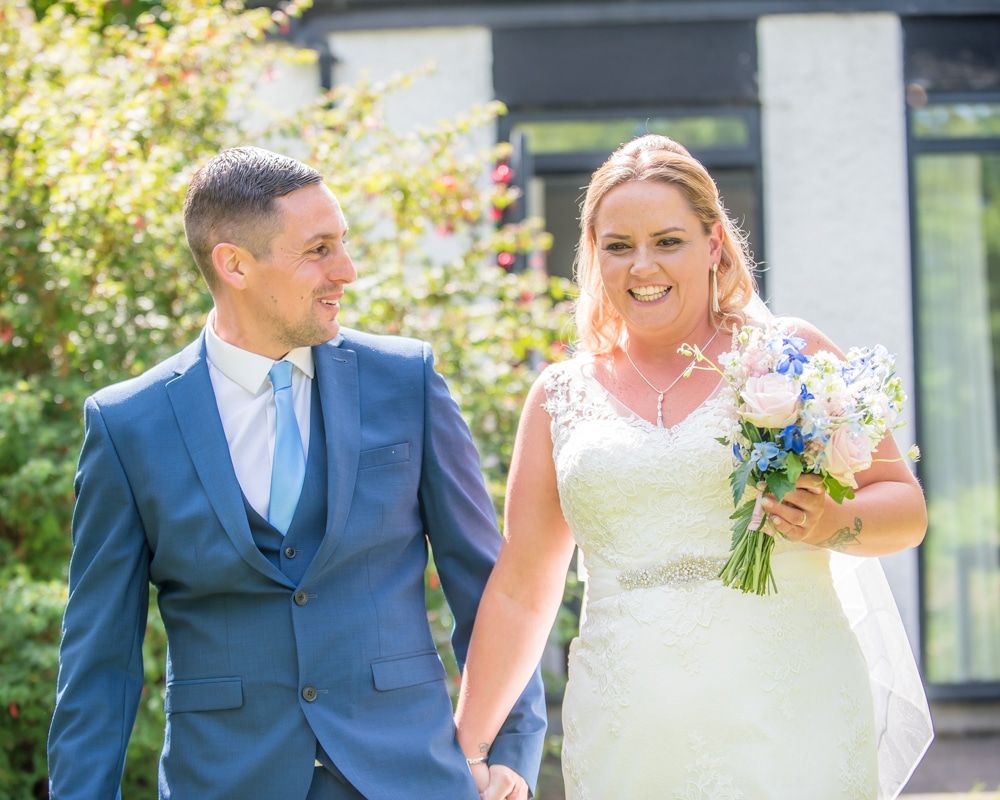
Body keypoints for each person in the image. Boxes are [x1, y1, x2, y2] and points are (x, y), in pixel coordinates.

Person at [47, 146, 545, 800]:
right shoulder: (128, 425)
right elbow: (99, 657)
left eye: (343, 243)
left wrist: (509, 746)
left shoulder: (406, 383)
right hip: (224, 782)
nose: (347, 271)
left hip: (407, 775)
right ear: (234, 264)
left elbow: (486, 583)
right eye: (318, 251)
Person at [454, 134, 932, 799]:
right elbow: (520, 589)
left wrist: (832, 521)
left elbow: (905, 511)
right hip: (628, 724)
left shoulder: (790, 358)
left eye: (668, 241)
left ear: (713, 245)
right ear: (594, 256)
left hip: (791, 715)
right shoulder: (559, 397)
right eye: (618, 246)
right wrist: (466, 748)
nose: (642, 266)